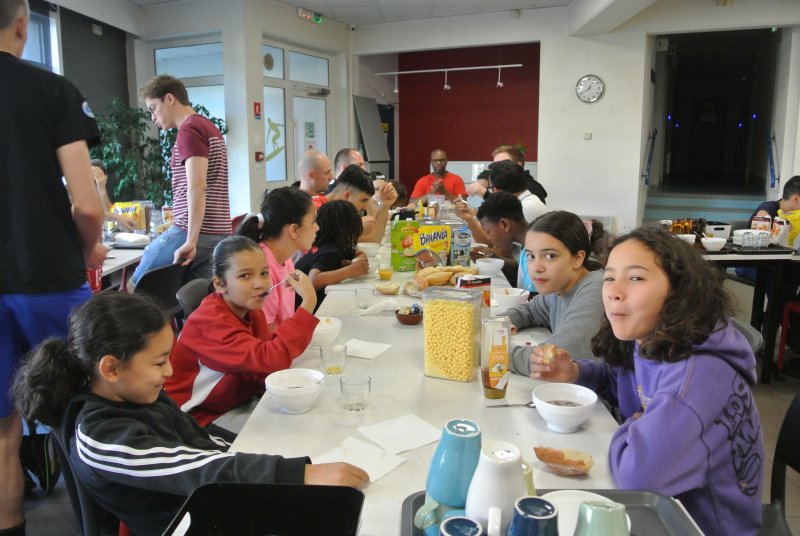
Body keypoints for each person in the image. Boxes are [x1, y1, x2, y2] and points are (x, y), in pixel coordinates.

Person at [11, 292, 368, 536]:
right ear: (111, 368)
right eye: (158, 362)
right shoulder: (99, 437)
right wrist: (296, 473)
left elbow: (200, 441)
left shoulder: (138, 394)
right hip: (189, 522)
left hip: (214, 508)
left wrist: (273, 461)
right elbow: (199, 470)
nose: (169, 372)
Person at [528, 228, 763, 536]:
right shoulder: (654, 338)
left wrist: (635, 428)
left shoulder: (696, 379)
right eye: (609, 278)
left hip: (698, 525)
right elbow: (624, 379)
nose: (614, 291)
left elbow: (638, 478)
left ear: (679, 291)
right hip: (665, 505)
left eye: (636, 278)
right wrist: (576, 373)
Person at [1, 2, 107, 533]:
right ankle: (99, 524)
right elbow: (87, 204)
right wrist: (88, 250)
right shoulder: (51, 89)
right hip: (48, 275)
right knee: (86, 409)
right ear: (22, 25)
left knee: (2, 433)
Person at [165, 236, 318, 428]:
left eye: (264, 273)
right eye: (245, 276)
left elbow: (264, 366)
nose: (260, 283)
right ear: (220, 284)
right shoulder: (209, 322)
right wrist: (308, 302)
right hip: (199, 417)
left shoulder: (251, 309)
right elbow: (269, 359)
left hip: (235, 400)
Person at [131, 74, 231, 285]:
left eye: (153, 108)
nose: (153, 117)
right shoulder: (208, 126)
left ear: (170, 98)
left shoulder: (190, 129)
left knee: (135, 285)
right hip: (218, 231)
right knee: (192, 298)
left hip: (192, 231)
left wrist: (191, 239)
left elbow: (197, 185)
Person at [506, 211, 607, 371]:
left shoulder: (596, 291)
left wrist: (489, 352)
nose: (536, 267)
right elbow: (531, 310)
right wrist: (492, 326)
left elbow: (550, 360)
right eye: (531, 256)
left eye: (550, 256)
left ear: (578, 258)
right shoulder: (559, 286)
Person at [237, 187, 318, 327]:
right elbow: (266, 336)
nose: (317, 228)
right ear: (294, 230)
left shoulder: (285, 259)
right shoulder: (262, 270)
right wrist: (309, 299)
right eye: (313, 222)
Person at [295, 201, 368, 310]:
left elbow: (359, 253)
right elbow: (313, 280)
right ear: (351, 227)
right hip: (301, 309)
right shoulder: (331, 251)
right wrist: (351, 270)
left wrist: (352, 263)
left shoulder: (324, 244)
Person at [315, 164, 397, 244]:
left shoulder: (339, 212)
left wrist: (385, 204)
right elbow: (373, 239)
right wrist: (358, 229)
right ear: (347, 195)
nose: (365, 208)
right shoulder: (315, 210)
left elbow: (374, 240)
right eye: (363, 200)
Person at [470, 192, 532, 289]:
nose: (488, 238)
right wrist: (494, 257)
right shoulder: (527, 242)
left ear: (505, 224)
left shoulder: (535, 248)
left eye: (488, 232)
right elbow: (521, 272)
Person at [468, 144, 548, 204]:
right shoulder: (509, 186)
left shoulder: (530, 187)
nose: (496, 170)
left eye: (503, 165)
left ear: (519, 166)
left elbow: (509, 211)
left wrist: (485, 194)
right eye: (495, 165)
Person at [90, 160, 137, 232]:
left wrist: (101, 188)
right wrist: (118, 218)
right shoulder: (76, 192)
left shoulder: (112, 187)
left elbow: (109, 213)